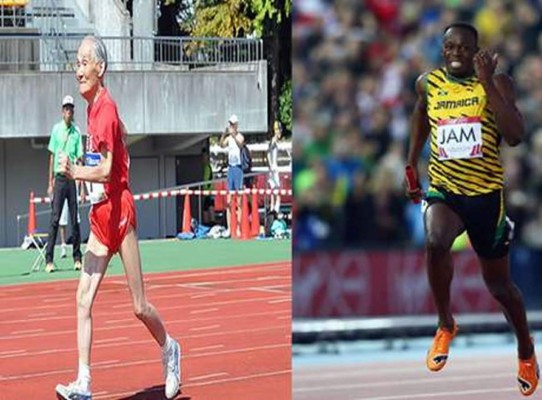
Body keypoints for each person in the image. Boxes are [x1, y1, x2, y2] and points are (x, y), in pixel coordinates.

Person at [406, 22, 539, 396]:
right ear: (442, 48)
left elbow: (514, 135)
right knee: (434, 241)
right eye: (449, 47)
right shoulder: (428, 83)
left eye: (464, 48)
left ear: (477, 51)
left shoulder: (497, 83)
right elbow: (420, 114)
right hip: (445, 192)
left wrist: (485, 82)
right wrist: (410, 163)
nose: (455, 54)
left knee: (499, 287)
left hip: (486, 198)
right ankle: (446, 324)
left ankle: (526, 349)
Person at [55, 35, 181, 400]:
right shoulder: (94, 109)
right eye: (76, 63)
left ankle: (170, 348)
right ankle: (84, 382)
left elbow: (108, 169)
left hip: (119, 214)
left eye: (84, 62)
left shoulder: (105, 109)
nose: (78, 69)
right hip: (100, 215)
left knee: (139, 306)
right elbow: (112, 151)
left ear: (101, 68)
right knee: (82, 298)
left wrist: (75, 172)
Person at [45, 95, 84, 273]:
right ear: (62, 111)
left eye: (71, 108)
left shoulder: (77, 132)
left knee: (75, 219)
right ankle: (49, 260)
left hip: (72, 179)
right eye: (66, 109)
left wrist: (82, 187)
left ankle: (77, 257)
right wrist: (50, 183)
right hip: (59, 179)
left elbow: (80, 160)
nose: (68, 112)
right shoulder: (56, 130)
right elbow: (51, 156)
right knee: (55, 219)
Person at [220, 114, 244, 237]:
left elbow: (241, 144)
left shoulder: (239, 136)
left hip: (238, 169)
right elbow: (221, 144)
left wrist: (233, 134)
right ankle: (230, 228)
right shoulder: (229, 138)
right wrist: (224, 134)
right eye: (230, 124)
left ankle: (239, 227)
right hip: (230, 168)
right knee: (229, 201)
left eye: (232, 124)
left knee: (239, 200)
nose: (231, 126)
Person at [267, 120, 282, 214]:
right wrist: (271, 165)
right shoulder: (274, 140)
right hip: (274, 168)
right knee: (277, 190)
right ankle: (276, 209)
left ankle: (273, 209)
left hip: (272, 168)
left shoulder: (274, 141)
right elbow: (269, 151)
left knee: (273, 191)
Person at [202, 148, 214, 225]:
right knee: (207, 207)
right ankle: (208, 222)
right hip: (207, 191)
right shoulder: (206, 167)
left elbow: (207, 180)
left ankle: (211, 222)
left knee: (209, 207)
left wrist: (206, 190)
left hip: (208, 191)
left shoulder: (207, 167)